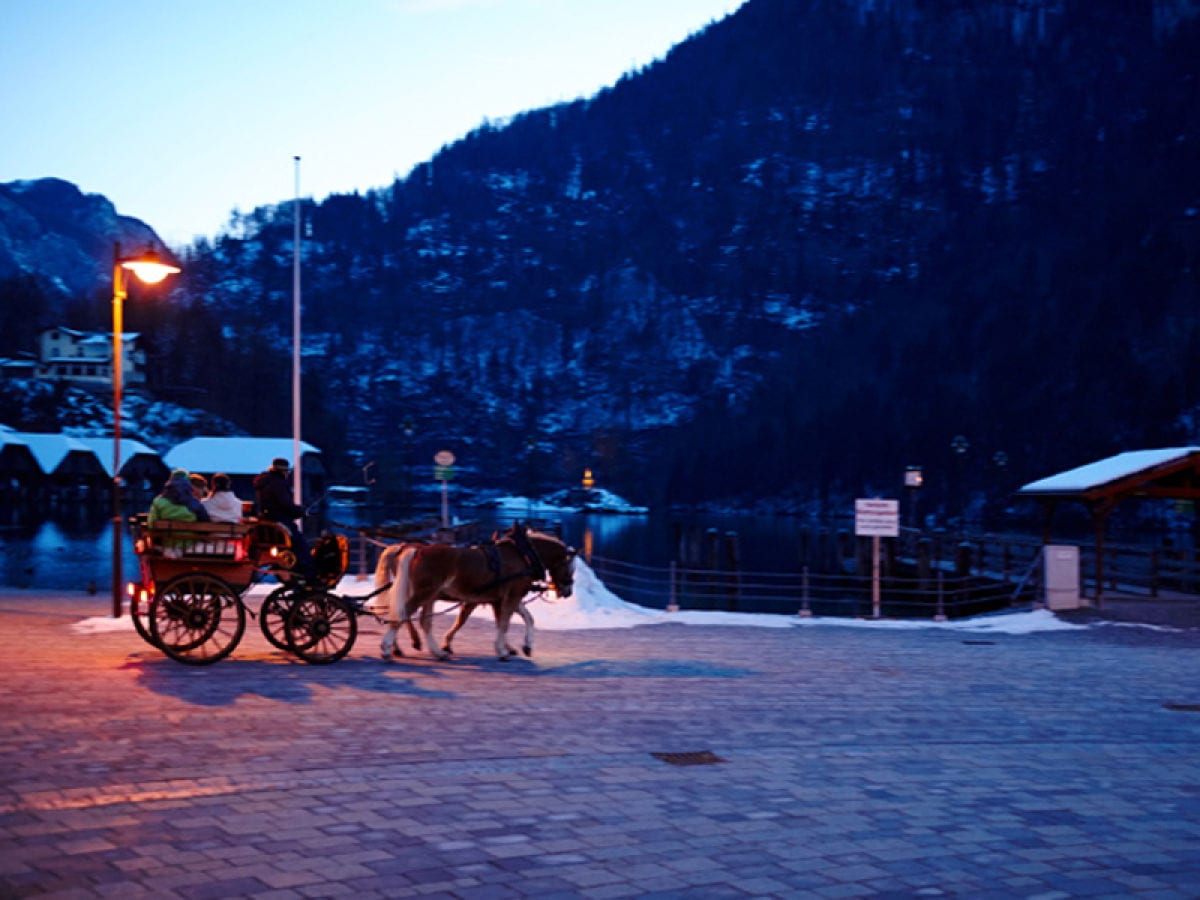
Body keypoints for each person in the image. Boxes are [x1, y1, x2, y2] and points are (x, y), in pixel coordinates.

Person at [253, 457, 313, 575]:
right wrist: (301, 511)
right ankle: (306, 569)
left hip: (269, 519)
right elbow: (286, 505)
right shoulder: (278, 484)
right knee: (299, 541)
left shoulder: (266, 482)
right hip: (279, 520)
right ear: (283, 471)